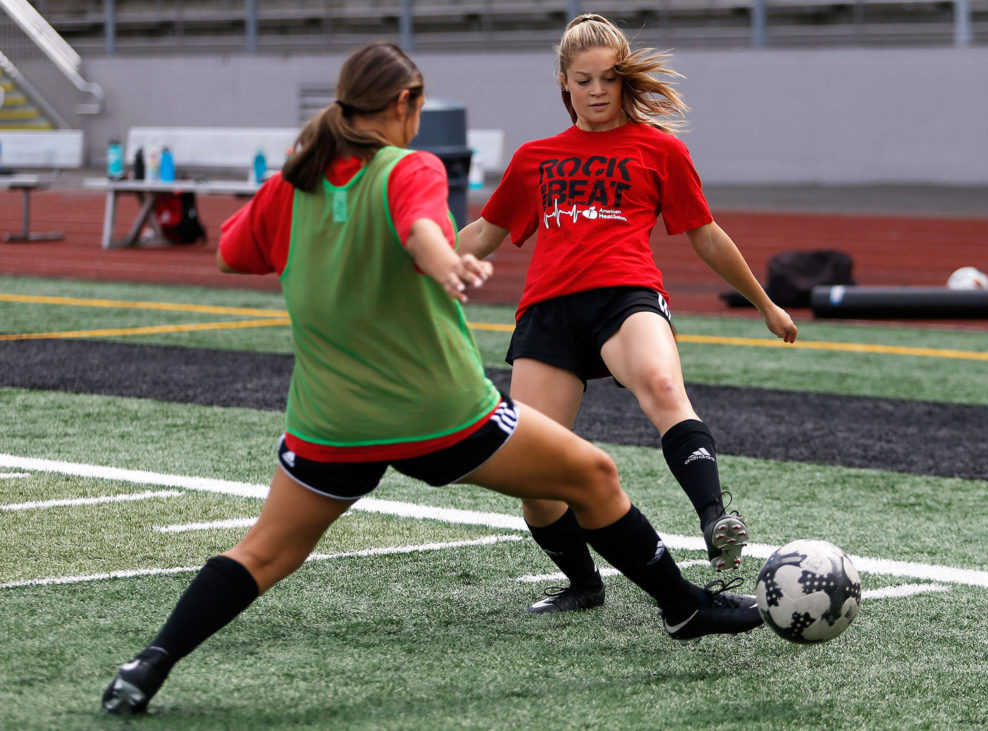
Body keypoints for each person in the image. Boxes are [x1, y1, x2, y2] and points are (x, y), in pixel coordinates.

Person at [101, 41, 763, 716]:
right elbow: (420, 226)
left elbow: (229, 254)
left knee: (264, 552)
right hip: (438, 414)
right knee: (592, 475)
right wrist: (442, 262)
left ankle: (148, 663)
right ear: (405, 104)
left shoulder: (288, 187)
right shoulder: (407, 165)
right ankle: (682, 608)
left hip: (330, 423)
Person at [459, 14, 799, 614]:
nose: (596, 90)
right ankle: (584, 584)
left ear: (623, 81)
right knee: (535, 479)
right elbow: (485, 233)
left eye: (609, 79)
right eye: (583, 80)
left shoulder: (660, 149)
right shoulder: (536, 157)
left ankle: (716, 519)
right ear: (564, 83)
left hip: (625, 295)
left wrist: (765, 304)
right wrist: (411, 267)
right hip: (548, 312)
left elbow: (706, 235)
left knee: (663, 385)